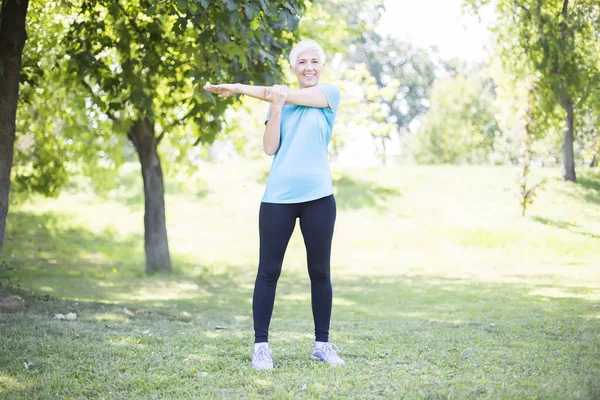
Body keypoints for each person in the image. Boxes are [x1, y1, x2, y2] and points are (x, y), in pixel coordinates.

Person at [204, 39, 344, 371]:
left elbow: (277, 93)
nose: (309, 67)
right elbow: (270, 148)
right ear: (293, 68)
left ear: (320, 67)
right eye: (302, 62)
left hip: (319, 198)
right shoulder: (280, 100)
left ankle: (322, 345)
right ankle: (261, 347)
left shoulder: (329, 95)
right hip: (278, 199)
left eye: (315, 61)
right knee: (268, 273)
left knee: (320, 273)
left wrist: (240, 87)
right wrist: (277, 105)